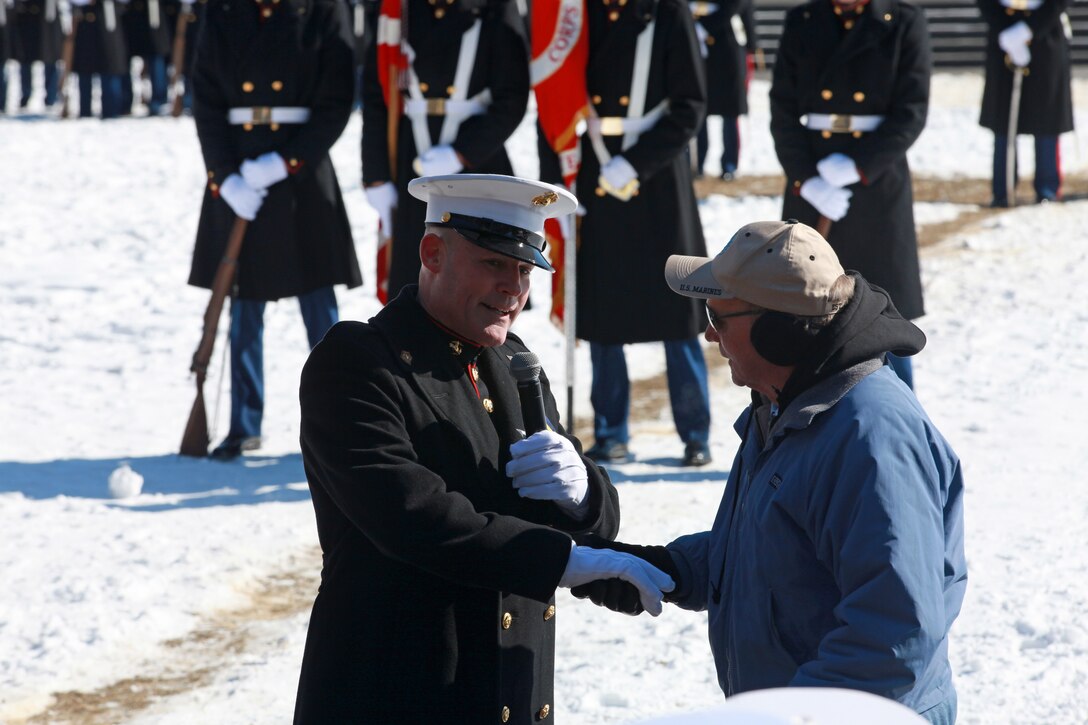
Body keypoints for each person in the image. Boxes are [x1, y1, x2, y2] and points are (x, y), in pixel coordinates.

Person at [292, 174, 675, 723]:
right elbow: (413, 516)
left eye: (525, 270)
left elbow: (593, 525)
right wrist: (567, 559)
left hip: (507, 686)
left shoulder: (514, 363)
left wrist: (583, 491)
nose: (513, 289)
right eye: (493, 263)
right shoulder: (358, 362)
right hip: (398, 690)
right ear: (432, 252)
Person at [573, 220, 967, 724]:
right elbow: (779, 547)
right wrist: (670, 568)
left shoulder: (871, 437)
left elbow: (894, 636)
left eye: (717, 315)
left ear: (779, 331)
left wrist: (784, 718)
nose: (708, 333)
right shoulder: (786, 402)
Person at [187, 0, 362, 460]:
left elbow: (336, 98)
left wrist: (286, 161)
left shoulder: (321, 10)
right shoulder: (223, 12)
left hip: (300, 170)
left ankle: (339, 418)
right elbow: (204, 96)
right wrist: (224, 175)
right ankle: (244, 423)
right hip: (240, 166)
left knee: (319, 304)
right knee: (244, 302)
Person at [574, 0, 713, 466]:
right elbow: (556, 97)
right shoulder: (578, 14)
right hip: (594, 169)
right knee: (602, 311)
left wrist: (636, 162)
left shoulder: (667, 12)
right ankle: (611, 430)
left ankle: (695, 432)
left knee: (678, 307)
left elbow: (690, 105)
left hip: (657, 179)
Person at [769, 0, 929, 389]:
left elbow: (911, 111)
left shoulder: (902, 21)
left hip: (876, 184)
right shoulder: (803, 21)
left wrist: (860, 167)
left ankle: (897, 411)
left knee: (883, 314)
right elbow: (783, 109)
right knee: (806, 310)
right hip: (814, 177)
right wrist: (807, 179)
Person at [361, 0, 530, 301]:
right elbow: (376, 95)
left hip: (478, 163)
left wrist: (461, 153)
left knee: (484, 287)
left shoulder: (494, 7)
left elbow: (512, 96)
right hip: (412, 160)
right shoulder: (398, 8)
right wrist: (376, 176)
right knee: (413, 286)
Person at [977, 0, 1073, 206]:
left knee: (1047, 118)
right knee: (1003, 119)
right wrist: (1004, 31)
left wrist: (1030, 29)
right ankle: (1002, 189)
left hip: (1046, 35)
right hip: (1003, 35)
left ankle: (1047, 188)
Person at [691, 0, 758, 180]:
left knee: (730, 111)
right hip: (698, 47)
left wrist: (704, 25)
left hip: (728, 49)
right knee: (697, 108)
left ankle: (729, 163)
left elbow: (737, 5)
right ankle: (699, 162)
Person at [68, 0, 129, 118]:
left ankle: (110, 110)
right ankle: (85, 111)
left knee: (109, 66)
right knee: (84, 70)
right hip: (86, 23)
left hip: (108, 20)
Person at [119, 0, 170, 114]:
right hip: (129, 15)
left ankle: (158, 102)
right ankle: (125, 101)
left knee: (156, 58)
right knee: (124, 57)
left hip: (152, 14)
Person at [11, 0, 64, 109]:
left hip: (47, 20)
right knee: (25, 59)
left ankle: (51, 97)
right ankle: (25, 95)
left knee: (49, 58)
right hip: (26, 19)